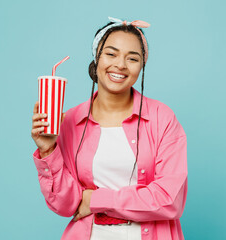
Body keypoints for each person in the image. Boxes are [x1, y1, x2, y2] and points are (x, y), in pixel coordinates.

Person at [31, 17, 188, 240]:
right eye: (111, 54)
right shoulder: (71, 121)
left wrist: (94, 200)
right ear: (97, 58)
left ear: (142, 65)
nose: (120, 65)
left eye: (132, 58)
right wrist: (48, 151)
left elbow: (169, 199)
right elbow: (66, 205)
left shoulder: (162, 118)